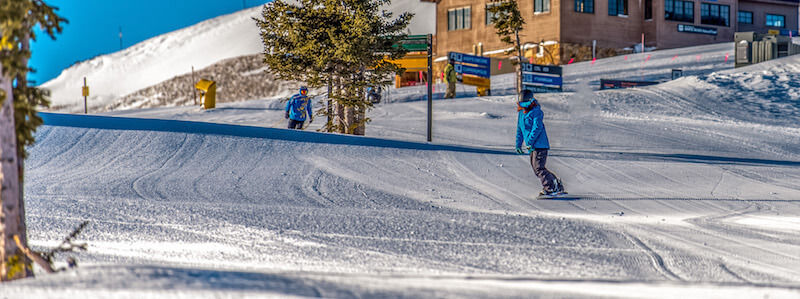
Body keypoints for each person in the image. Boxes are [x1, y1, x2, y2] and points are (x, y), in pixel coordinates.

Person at [515, 89, 564, 196]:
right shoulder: (521, 114)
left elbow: (536, 128)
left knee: (539, 168)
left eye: (526, 103)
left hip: (540, 145)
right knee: (536, 169)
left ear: (531, 101)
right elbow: (520, 129)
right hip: (532, 146)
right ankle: (556, 184)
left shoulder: (537, 112)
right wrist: (518, 144)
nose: (523, 106)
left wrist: (530, 142)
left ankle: (550, 188)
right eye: (521, 103)